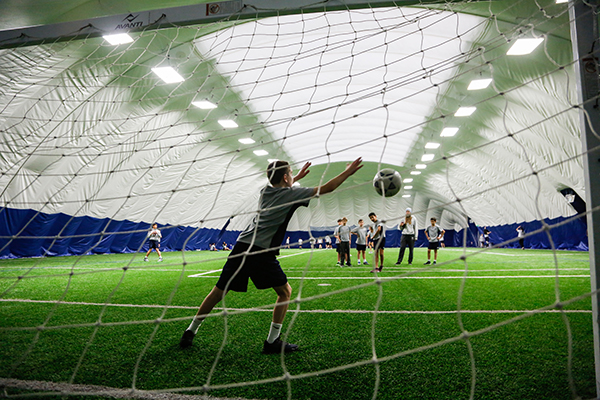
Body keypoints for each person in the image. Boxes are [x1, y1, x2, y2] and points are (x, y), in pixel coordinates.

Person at [179, 158, 363, 353]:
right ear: (285, 177)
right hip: (261, 251)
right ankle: (272, 342)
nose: (293, 175)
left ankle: (190, 331)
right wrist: (348, 172)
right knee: (285, 292)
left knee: (218, 291)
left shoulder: (264, 191)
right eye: (291, 173)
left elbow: (279, 185)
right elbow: (327, 188)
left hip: (241, 247)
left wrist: (295, 177)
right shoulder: (291, 194)